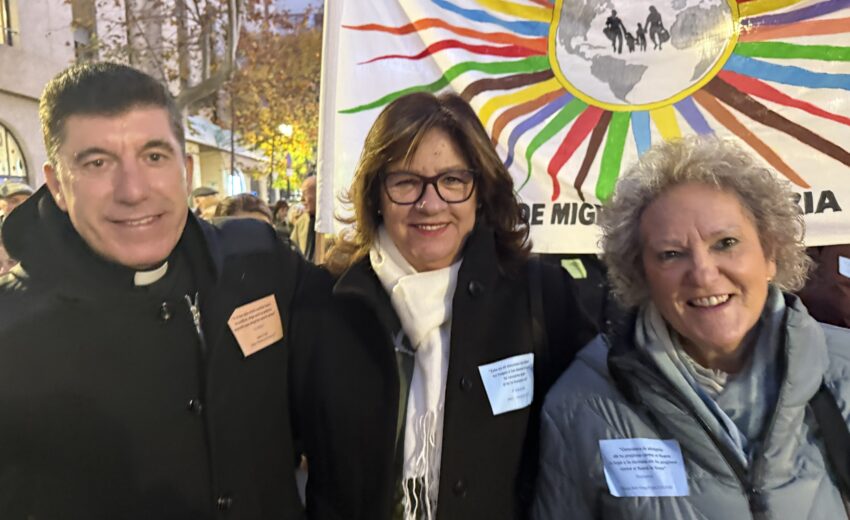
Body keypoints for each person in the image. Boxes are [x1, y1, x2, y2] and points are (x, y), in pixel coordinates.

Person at [0, 62, 313, 518]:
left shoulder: (257, 260)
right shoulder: (10, 330)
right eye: (97, 163)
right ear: (57, 186)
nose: (133, 191)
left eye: (154, 157)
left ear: (185, 169)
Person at [291, 92, 598, 520]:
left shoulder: (541, 296)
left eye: (452, 180)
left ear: (480, 191)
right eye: (405, 181)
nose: (430, 203)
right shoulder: (323, 302)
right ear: (376, 193)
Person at [533, 137, 850, 519]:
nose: (703, 273)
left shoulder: (843, 369)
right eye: (671, 254)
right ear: (641, 275)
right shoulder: (583, 404)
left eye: (726, 243)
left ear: (770, 254)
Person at [291, 175, 317, 261]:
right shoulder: (301, 222)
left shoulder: (334, 222)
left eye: (305, 193)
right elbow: (292, 248)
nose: (302, 199)